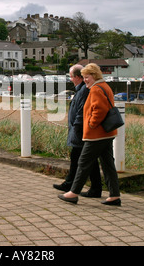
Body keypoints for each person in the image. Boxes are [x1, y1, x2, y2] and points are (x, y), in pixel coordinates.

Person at [58, 63, 121, 206]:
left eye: (87, 77)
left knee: (83, 162)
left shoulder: (96, 89)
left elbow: (99, 110)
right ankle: (114, 195)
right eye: (84, 77)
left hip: (96, 134)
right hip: (107, 133)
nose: (85, 80)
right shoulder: (104, 86)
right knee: (108, 164)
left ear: (94, 76)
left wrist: (92, 124)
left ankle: (73, 193)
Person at [53, 64, 102, 198]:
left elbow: (83, 111)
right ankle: (89, 187)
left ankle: (74, 187)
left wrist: (77, 126)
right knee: (84, 160)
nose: (70, 80)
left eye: (71, 77)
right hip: (79, 130)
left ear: (77, 77)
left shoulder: (84, 91)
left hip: (81, 131)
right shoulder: (81, 90)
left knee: (82, 159)